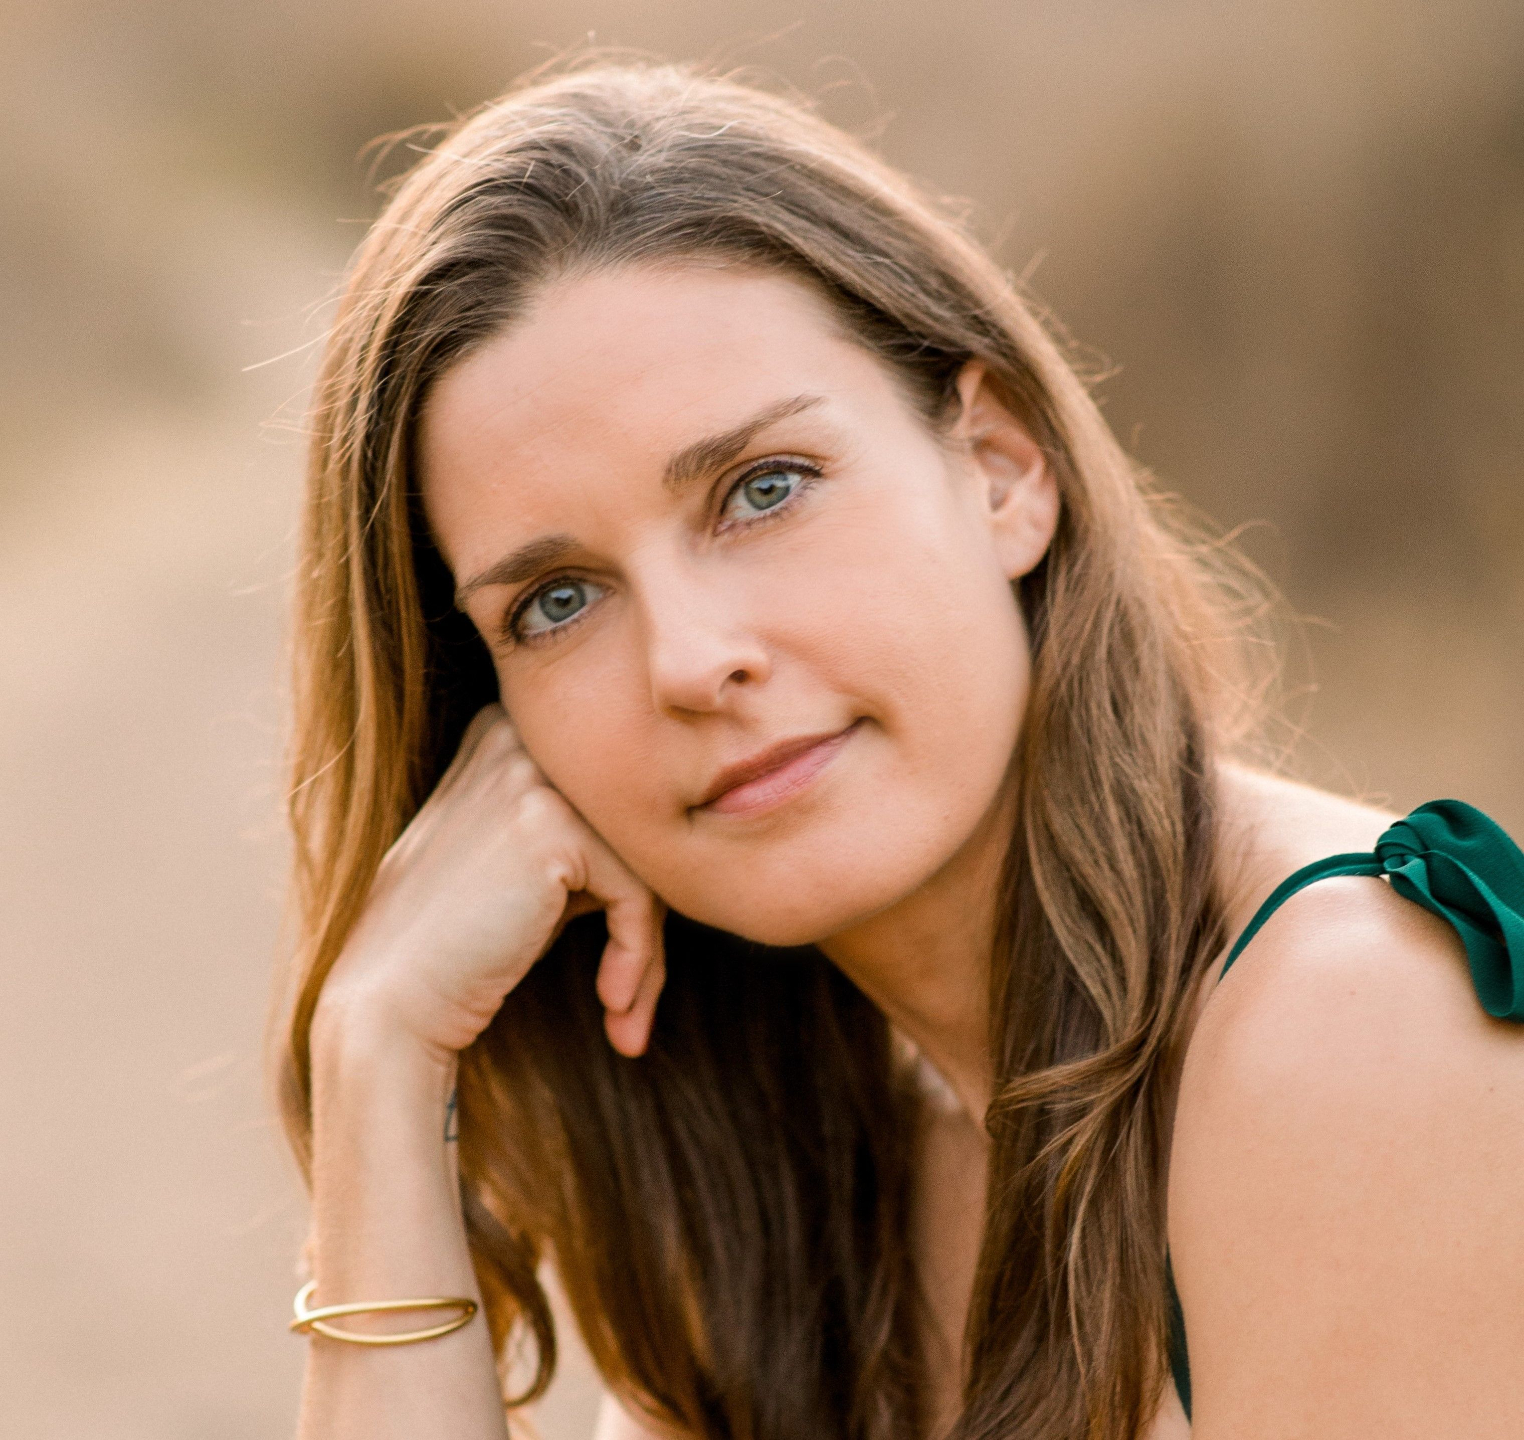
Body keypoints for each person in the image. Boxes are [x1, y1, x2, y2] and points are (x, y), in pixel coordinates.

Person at [270, 60, 1524, 1440]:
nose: (689, 661)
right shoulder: (796, 1148)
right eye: (558, 602)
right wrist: (376, 1056)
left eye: (764, 490)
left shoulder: (1353, 1027)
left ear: (1000, 467)